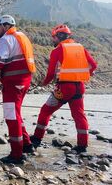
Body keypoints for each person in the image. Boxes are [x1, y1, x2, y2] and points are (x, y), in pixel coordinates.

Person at [30, 24, 97, 153]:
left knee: (45, 111)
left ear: (59, 36)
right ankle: (82, 146)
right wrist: (90, 72)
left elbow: (50, 74)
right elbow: (93, 65)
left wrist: (44, 83)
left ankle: (37, 139)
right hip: (79, 87)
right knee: (79, 116)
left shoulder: (57, 50)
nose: (53, 40)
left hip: (64, 88)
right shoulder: (80, 47)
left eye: (54, 37)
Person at [0, 15, 36, 164]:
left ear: (5, 26)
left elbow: (0, 59)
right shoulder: (22, 36)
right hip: (24, 82)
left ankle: (16, 153)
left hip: (13, 84)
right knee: (16, 114)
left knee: (11, 117)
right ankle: (27, 145)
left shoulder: (6, 39)